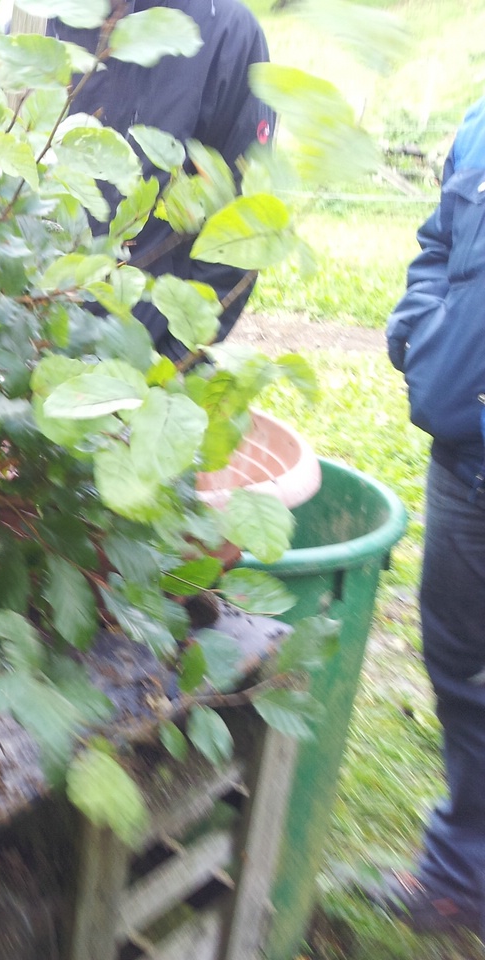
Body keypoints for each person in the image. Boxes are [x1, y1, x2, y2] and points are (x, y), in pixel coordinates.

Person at [379, 94, 485, 939]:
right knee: (463, 669)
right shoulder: (480, 123)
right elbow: (440, 244)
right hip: (464, 456)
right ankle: (462, 878)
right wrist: (421, 332)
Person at [48, 0, 275, 360]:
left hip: (144, 357)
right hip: (26, 342)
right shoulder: (40, 16)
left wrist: (172, 362)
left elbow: (240, 228)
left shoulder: (227, 32)